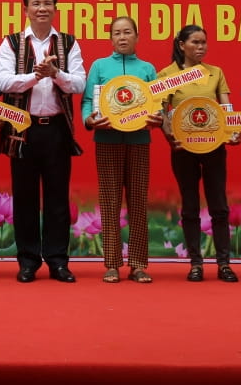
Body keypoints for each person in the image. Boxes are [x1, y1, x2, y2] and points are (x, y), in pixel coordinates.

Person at [0, 0, 85, 284]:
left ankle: (58, 262)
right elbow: (4, 82)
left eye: (47, 3)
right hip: (23, 129)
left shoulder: (69, 43)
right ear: (26, 10)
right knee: (25, 198)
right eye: (36, 4)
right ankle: (28, 261)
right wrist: (36, 75)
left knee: (58, 199)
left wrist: (56, 74)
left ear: (55, 9)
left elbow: (79, 83)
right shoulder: (11, 43)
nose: (42, 8)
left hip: (57, 129)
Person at [158, 24, 239, 283]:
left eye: (204, 42)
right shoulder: (168, 75)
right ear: (182, 45)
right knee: (190, 206)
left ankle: (224, 264)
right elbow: (160, 111)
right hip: (184, 149)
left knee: (219, 206)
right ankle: (195, 263)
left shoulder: (215, 72)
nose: (201, 47)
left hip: (214, 147)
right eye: (195, 42)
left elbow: (226, 107)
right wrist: (170, 136)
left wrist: (233, 131)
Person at [83, 16, 161, 283]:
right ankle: (112, 263)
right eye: (117, 33)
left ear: (137, 37)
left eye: (127, 32)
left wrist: (158, 117)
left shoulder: (147, 69)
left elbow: (158, 103)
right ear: (111, 39)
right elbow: (88, 101)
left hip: (139, 141)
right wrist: (89, 119)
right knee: (109, 202)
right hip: (107, 140)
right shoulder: (100, 66)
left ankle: (138, 264)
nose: (122, 37)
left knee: (138, 202)